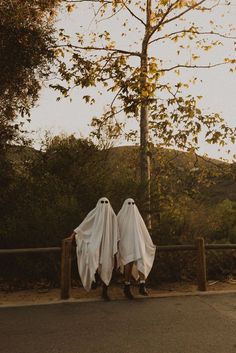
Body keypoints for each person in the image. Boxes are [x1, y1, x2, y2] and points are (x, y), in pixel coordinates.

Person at [69, 197, 119, 301]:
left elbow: (116, 232)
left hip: (107, 246)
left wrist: (116, 246)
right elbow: (83, 226)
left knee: (107, 267)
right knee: (92, 257)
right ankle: (94, 276)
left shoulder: (112, 215)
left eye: (106, 202)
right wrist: (73, 235)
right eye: (102, 202)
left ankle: (104, 292)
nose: (104, 205)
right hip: (95, 244)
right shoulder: (94, 213)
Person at [117, 198, 156, 299]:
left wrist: (147, 243)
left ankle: (142, 285)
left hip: (137, 244)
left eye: (132, 203)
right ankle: (127, 286)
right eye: (129, 204)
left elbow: (143, 231)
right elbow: (116, 231)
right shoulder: (120, 217)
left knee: (141, 261)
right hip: (126, 245)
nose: (131, 205)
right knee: (128, 264)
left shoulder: (137, 216)